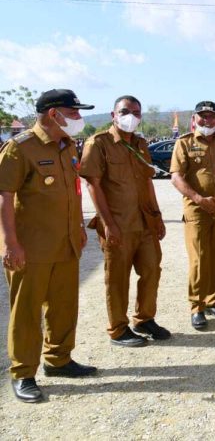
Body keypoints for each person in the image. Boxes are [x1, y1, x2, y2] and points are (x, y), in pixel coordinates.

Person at [0, 89, 97, 403]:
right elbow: (4, 197)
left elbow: (74, 192)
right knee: (27, 311)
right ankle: (23, 372)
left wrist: (80, 227)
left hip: (65, 243)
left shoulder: (67, 145)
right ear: (54, 114)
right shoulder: (20, 148)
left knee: (63, 305)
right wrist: (10, 244)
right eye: (74, 113)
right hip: (31, 247)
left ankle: (58, 360)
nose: (79, 119)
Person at [81, 95, 169, 348]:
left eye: (136, 112)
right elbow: (92, 185)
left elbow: (147, 182)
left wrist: (158, 216)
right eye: (126, 111)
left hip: (144, 223)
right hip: (118, 225)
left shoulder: (141, 144)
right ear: (113, 114)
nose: (131, 116)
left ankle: (144, 319)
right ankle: (118, 329)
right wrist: (108, 224)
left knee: (152, 271)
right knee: (118, 279)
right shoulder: (99, 143)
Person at [170, 101, 215, 330]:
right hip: (197, 209)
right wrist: (199, 199)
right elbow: (176, 177)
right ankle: (197, 307)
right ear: (194, 119)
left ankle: (213, 300)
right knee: (199, 258)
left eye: (212, 117)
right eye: (202, 117)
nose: (207, 121)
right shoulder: (185, 142)